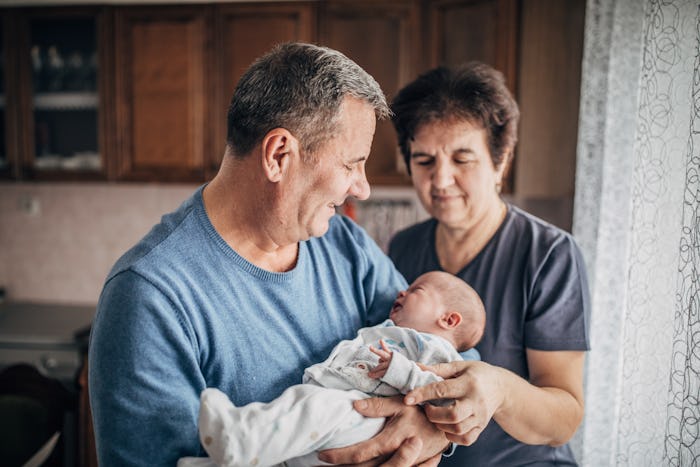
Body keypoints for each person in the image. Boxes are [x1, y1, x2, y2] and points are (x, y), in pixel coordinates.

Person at [88, 42, 449, 467]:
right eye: (352, 164)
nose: (362, 188)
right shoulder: (150, 297)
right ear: (279, 155)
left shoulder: (343, 244)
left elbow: (440, 346)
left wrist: (428, 432)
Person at [381, 62, 591, 465]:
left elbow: (565, 418)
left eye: (462, 159)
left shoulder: (549, 254)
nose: (440, 180)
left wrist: (499, 389)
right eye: (424, 161)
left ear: (501, 162)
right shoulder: (404, 248)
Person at [177, 271, 485, 467]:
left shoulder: (435, 349)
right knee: (287, 440)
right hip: (345, 425)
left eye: (416, 289)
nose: (401, 292)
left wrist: (399, 370)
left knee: (312, 405)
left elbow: (444, 395)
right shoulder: (399, 330)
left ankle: (240, 435)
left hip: (367, 419)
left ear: (449, 320)